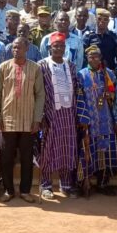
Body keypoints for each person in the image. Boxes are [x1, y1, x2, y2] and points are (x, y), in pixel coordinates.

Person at [0, 37, 45, 203]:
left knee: (26, 158)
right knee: (6, 158)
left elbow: (40, 95)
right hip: (7, 119)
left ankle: (25, 191)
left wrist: (37, 119)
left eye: (19, 47)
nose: (16, 50)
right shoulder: (3, 67)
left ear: (27, 48)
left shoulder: (35, 68)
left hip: (28, 121)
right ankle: (8, 190)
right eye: (14, 47)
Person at [38, 33, 79, 199]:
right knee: (48, 149)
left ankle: (66, 184)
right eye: (56, 46)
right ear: (50, 48)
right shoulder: (42, 66)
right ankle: (46, 185)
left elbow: (76, 88)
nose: (59, 49)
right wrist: (41, 115)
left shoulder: (71, 66)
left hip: (68, 114)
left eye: (62, 46)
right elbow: (37, 92)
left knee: (68, 148)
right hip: (50, 114)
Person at [76, 46, 117, 197]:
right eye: (91, 56)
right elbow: (79, 98)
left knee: (105, 152)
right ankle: (85, 183)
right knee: (88, 151)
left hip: (106, 120)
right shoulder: (81, 75)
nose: (94, 59)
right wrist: (83, 118)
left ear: (101, 58)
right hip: (89, 121)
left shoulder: (108, 74)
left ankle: (103, 183)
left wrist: (110, 95)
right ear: (87, 58)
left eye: (97, 56)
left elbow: (116, 95)